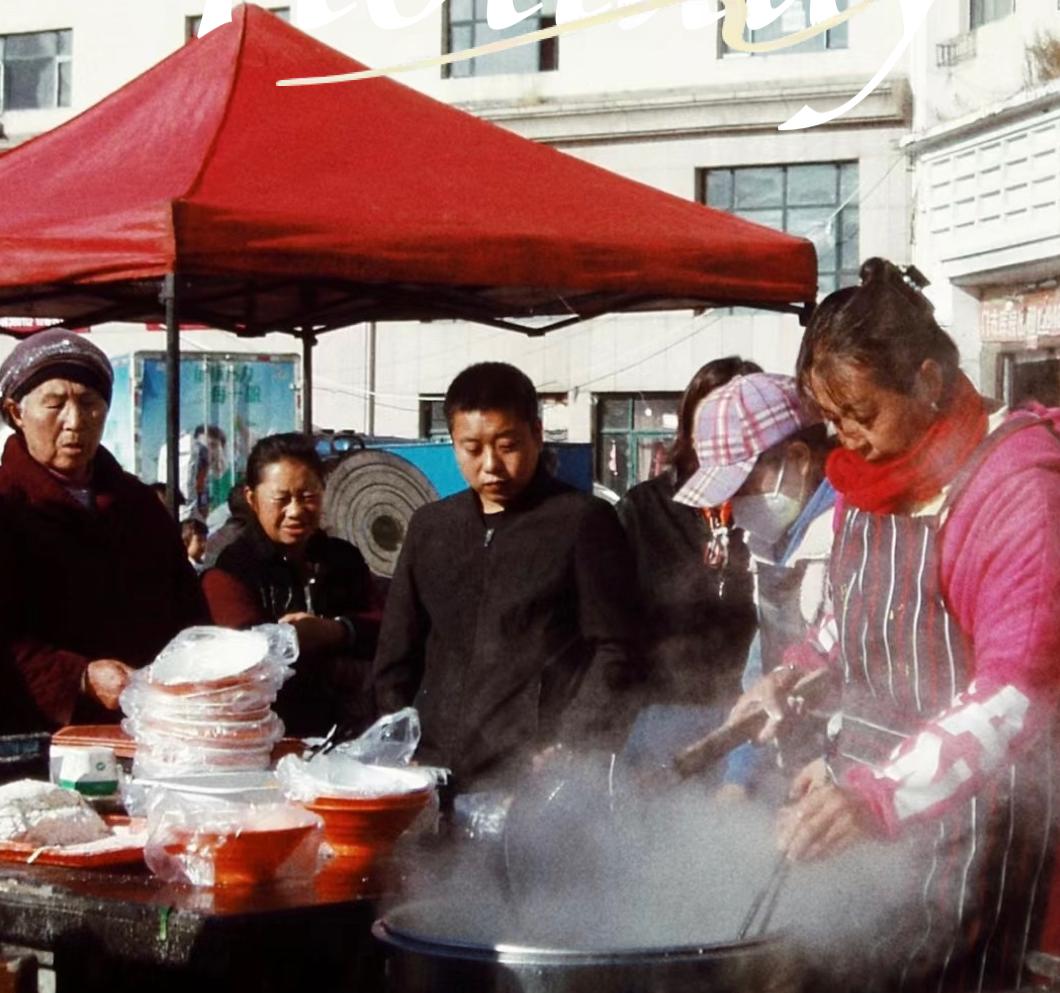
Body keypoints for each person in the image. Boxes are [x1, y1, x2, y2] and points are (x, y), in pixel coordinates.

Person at [771, 258, 1060, 993]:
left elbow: (1013, 697)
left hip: (1002, 836)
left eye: (861, 413)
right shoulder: (869, 482)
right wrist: (797, 672)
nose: (847, 438)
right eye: (831, 420)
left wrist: (876, 795)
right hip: (888, 835)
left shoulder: (1020, 493)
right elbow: (849, 617)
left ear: (927, 381)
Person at [373, 362, 645, 790]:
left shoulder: (582, 520)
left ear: (537, 433)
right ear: (453, 443)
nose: (491, 466)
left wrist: (573, 744)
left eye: (507, 445)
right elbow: (395, 655)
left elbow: (617, 647)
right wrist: (398, 746)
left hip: (534, 773)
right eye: (472, 448)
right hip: (431, 766)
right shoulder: (431, 527)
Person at [0, 329, 208, 729]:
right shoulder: (6, 507)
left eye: (89, 403)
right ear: (16, 412)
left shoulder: (140, 504)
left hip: (151, 727)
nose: (74, 421)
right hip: (37, 735)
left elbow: (187, 612)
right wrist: (77, 677)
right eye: (54, 404)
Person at [672, 372, 838, 791]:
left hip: (849, 778)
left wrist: (840, 770)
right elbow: (762, 667)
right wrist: (739, 777)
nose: (736, 503)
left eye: (743, 484)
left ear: (799, 458)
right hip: (790, 769)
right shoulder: (769, 540)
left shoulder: (854, 530)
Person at [202, 433, 382, 737]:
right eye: (281, 499)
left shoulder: (343, 558)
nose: (296, 511)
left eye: (308, 496)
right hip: (266, 735)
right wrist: (294, 639)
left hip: (351, 730)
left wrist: (334, 631)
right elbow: (243, 655)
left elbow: (387, 629)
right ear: (252, 499)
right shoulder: (232, 567)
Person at [617, 358, 760, 709]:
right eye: (711, 421)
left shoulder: (771, 505)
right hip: (659, 706)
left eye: (739, 423)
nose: (724, 438)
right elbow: (608, 618)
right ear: (688, 427)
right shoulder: (643, 509)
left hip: (750, 707)